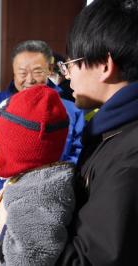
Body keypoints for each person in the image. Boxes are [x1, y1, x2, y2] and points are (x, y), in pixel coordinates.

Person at [54, 0, 138, 264]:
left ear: (104, 64)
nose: (67, 76)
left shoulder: (129, 155)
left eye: (71, 64)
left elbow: (88, 260)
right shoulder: (114, 132)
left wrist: (11, 225)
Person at [0, 40, 85, 200]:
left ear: (49, 70)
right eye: (22, 72)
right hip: (3, 194)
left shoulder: (71, 109)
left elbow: (77, 153)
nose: (30, 79)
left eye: (37, 71)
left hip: (55, 195)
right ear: (13, 71)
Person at [0, 85, 75, 265]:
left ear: (16, 148)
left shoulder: (37, 196)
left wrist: (2, 227)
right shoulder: (38, 181)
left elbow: (26, 259)